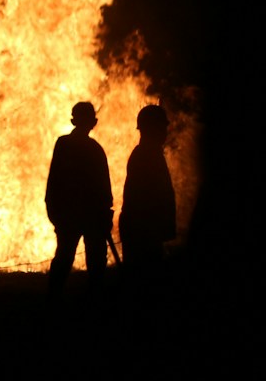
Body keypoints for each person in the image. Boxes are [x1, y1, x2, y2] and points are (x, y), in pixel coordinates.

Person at [44, 101, 114, 305]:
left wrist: (54, 210)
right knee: (93, 259)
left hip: (73, 214)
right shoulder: (94, 149)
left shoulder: (64, 144)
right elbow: (103, 187)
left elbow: (54, 182)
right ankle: (94, 297)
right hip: (84, 215)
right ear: (94, 122)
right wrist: (104, 211)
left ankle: (54, 298)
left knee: (67, 257)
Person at [119, 104, 176, 296]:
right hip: (143, 231)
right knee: (144, 285)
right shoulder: (145, 156)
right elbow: (145, 198)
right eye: (162, 127)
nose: (165, 131)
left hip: (145, 230)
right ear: (152, 128)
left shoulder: (150, 154)